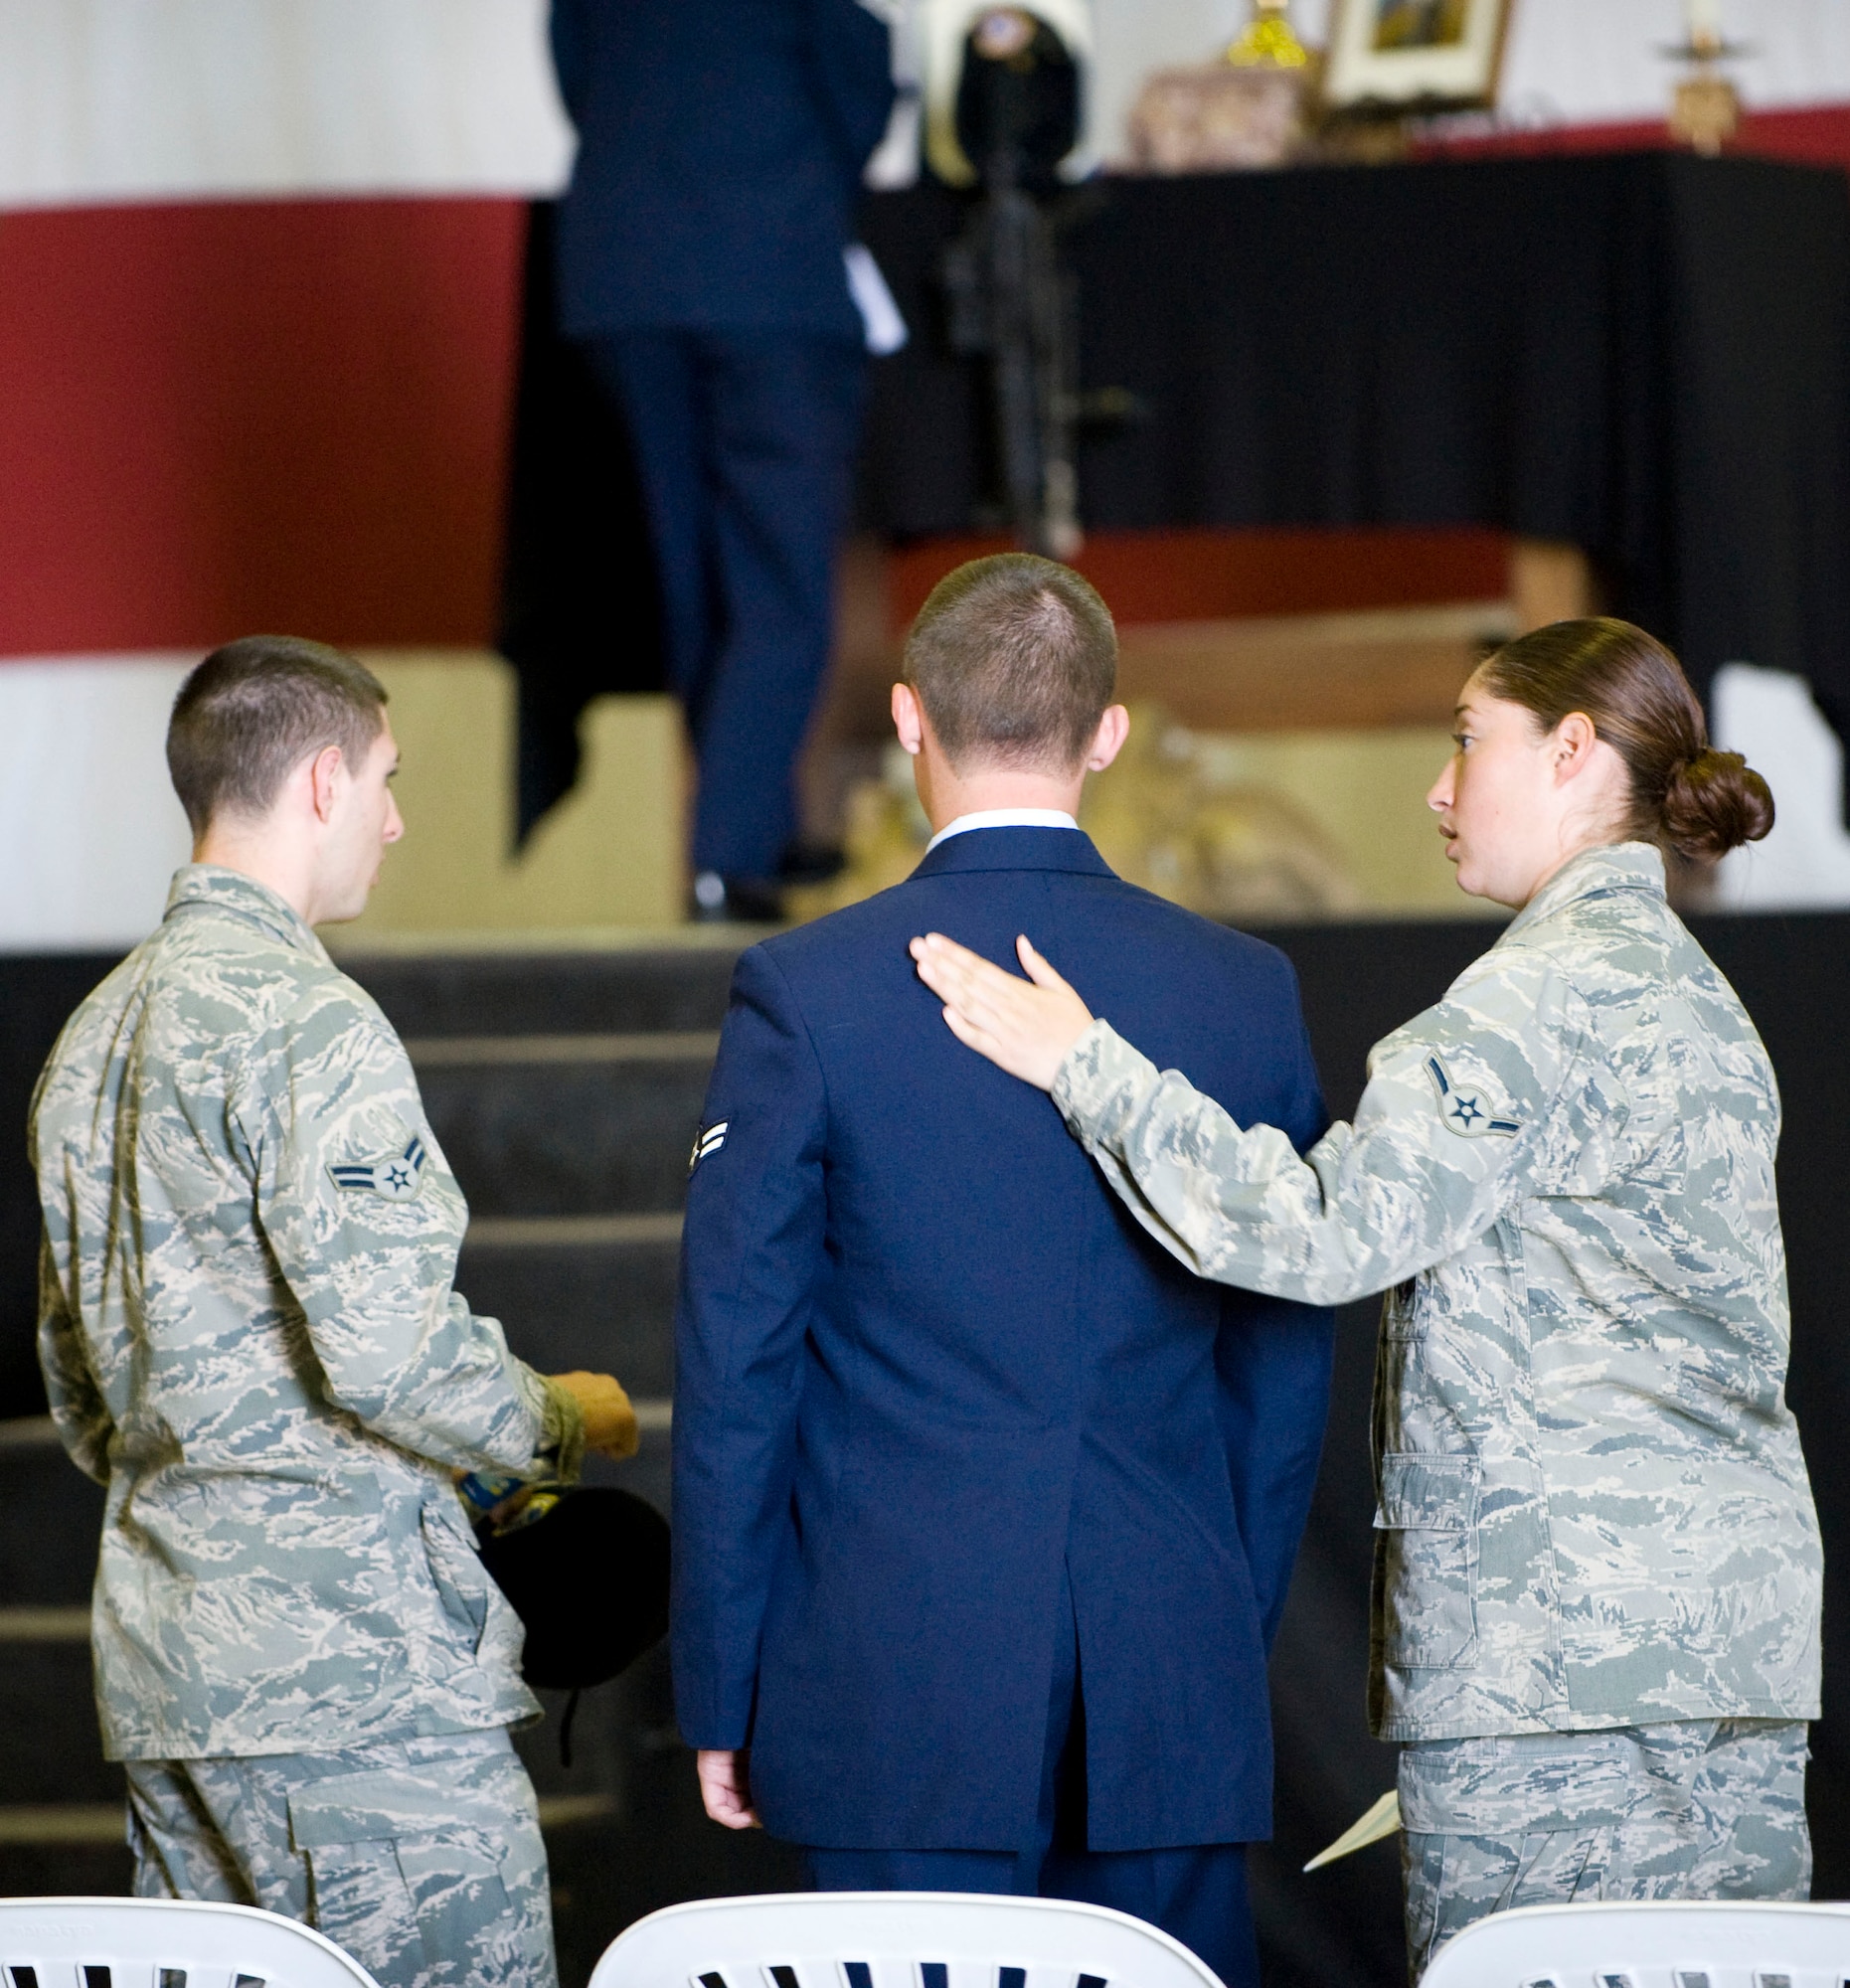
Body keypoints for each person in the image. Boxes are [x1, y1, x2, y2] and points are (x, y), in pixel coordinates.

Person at [911, 616, 1822, 1977]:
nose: (1438, 789)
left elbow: (1327, 1230)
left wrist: (1087, 1065)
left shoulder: (1532, 1001)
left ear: (1573, 751)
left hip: (1555, 1677)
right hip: (1730, 1658)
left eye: (1467, 741)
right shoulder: (1700, 999)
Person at [672, 555, 1336, 1988]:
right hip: (1168, 1659)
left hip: (891, 1674)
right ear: (1108, 733)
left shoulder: (806, 990)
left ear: (907, 720)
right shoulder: (1243, 991)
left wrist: (720, 1683)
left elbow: (739, 1367)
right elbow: (1281, 1365)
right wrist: (1214, 1626)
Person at [30, 637, 640, 1988]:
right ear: (321, 780)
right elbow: (387, 1353)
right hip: (357, 1693)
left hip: (171, 1677)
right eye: (387, 778)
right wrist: (553, 1419)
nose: (395, 819)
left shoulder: (88, 1041)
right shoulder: (312, 1023)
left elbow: (81, 1395)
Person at [549, 0, 897, 921]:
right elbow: (857, 81)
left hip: (625, 275)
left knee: (692, 578)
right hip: (769, 269)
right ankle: (725, 856)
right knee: (781, 587)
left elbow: (581, 74)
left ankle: (757, 828)